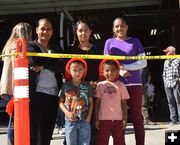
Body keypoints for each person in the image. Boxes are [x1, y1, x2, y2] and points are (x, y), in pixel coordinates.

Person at [104, 16, 147, 145]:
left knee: (137, 117)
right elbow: (107, 63)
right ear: (113, 28)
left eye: (122, 25)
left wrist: (124, 67)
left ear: (127, 27)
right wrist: (119, 71)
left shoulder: (135, 41)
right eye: (116, 26)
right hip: (116, 84)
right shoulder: (109, 43)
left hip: (134, 84)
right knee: (118, 118)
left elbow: (143, 62)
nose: (120, 28)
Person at [26, 18, 64, 145]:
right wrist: (52, 62)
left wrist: (45, 66)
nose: (45, 32)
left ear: (52, 31)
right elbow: (34, 61)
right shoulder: (30, 46)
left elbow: (62, 66)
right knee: (34, 133)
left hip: (53, 95)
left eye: (48, 29)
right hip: (35, 95)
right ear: (36, 30)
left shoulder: (57, 49)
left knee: (47, 133)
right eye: (42, 28)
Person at [66, 18, 100, 145]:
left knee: (90, 126)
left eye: (86, 30)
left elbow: (101, 70)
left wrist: (96, 82)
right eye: (80, 30)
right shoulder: (70, 50)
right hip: (74, 96)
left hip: (91, 93)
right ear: (76, 32)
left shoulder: (96, 49)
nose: (83, 33)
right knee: (72, 127)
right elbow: (66, 72)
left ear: (90, 32)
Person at [0, 22, 32, 145]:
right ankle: (12, 141)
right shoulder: (17, 44)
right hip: (16, 86)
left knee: (13, 116)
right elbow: (18, 64)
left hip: (7, 85)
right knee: (15, 118)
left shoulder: (9, 43)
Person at [59, 58, 94, 145]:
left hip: (85, 120)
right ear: (69, 71)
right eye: (74, 70)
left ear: (84, 70)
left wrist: (89, 116)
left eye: (80, 70)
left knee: (85, 142)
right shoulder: (65, 86)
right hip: (70, 121)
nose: (77, 73)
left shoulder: (87, 85)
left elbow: (91, 102)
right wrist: (67, 113)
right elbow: (60, 102)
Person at [95, 60, 129, 145]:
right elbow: (97, 103)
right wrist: (96, 119)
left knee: (120, 142)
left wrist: (125, 118)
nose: (110, 73)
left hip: (118, 120)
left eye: (113, 70)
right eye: (107, 70)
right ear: (102, 72)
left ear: (118, 71)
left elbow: (124, 103)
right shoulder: (100, 85)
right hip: (103, 120)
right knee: (101, 141)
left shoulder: (121, 85)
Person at [162, 46, 180, 125]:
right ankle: (173, 120)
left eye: (167, 52)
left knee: (178, 101)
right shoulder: (166, 61)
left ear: (172, 52)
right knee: (170, 102)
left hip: (176, 82)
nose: (166, 53)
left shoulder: (178, 60)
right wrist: (164, 81)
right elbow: (164, 72)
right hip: (167, 83)